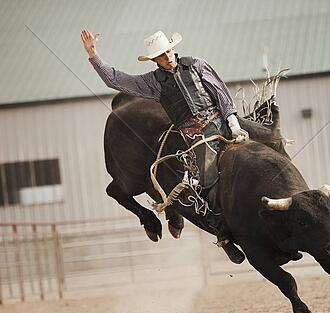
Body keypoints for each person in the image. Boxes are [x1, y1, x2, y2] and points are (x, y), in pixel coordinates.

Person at [81, 29, 248, 264]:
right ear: (155, 60)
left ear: (173, 49)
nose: (168, 57)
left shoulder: (197, 65)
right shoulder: (152, 83)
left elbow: (220, 93)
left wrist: (233, 123)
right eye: (161, 55)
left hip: (224, 123)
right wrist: (93, 55)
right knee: (208, 183)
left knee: (265, 143)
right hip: (196, 138)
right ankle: (224, 236)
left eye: (168, 51)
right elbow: (115, 79)